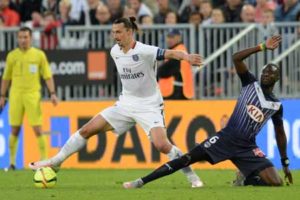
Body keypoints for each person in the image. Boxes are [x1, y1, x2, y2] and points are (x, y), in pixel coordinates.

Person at [29, 17, 204, 188]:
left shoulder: (144, 50)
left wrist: (186, 57)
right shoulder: (115, 51)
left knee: (162, 145)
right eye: (113, 32)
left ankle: (192, 176)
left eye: (119, 32)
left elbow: (170, 53)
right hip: (125, 104)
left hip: (149, 105)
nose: (115, 35)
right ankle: (56, 161)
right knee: (87, 130)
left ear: (130, 32)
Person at [123, 35, 293, 189]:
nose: (266, 75)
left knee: (275, 183)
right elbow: (236, 58)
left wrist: (285, 162)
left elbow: (280, 134)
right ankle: (141, 181)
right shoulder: (249, 82)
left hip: (247, 147)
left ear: (276, 79)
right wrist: (262, 47)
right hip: (225, 138)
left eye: (270, 74)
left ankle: (246, 178)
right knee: (186, 159)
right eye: (264, 71)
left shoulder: (276, 105)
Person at [0, 27, 58, 170]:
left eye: (25, 37)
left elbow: (47, 75)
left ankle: (44, 162)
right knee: (14, 129)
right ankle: (12, 163)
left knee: (37, 129)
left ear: (31, 38)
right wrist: (2, 95)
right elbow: (6, 78)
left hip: (33, 95)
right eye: (20, 37)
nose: (23, 40)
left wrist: (53, 93)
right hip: (15, 95)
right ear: (17, 39)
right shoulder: (12, 56)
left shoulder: (39, 55)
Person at [158, 29, 194, 100]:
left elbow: (164, 71)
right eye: (168, 37)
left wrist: (158, 70)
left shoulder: (178, 52)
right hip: (179, 90)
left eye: (172, 37)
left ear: (179, 38)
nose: (169, 39)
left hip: (176, 91)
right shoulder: (179, 50)